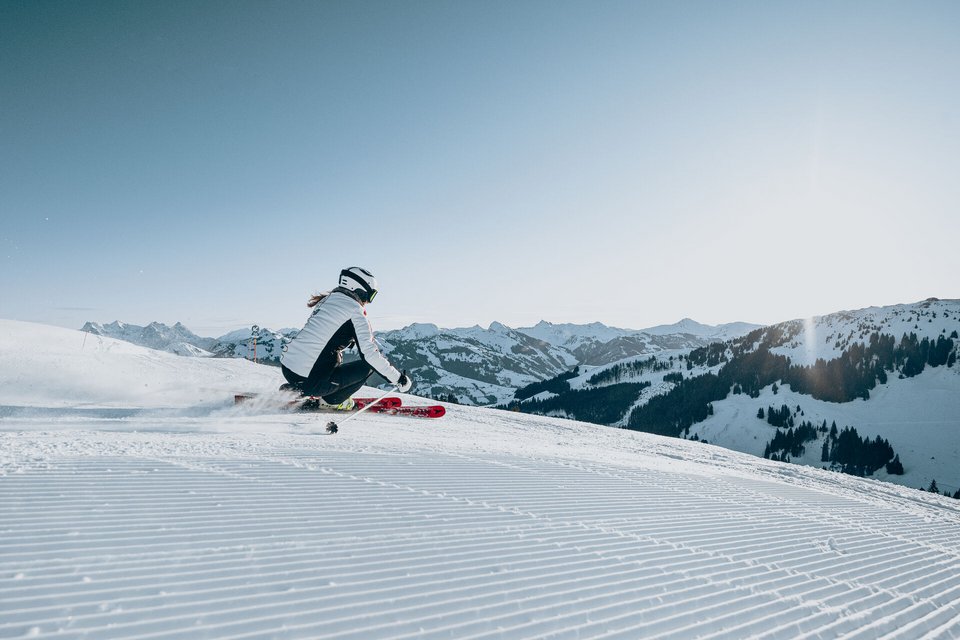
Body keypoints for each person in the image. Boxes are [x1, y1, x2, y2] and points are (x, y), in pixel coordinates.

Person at [280, 266, 411, 409]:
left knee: (328, 359)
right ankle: (331, 400)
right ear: (360, 289)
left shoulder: (327, 300)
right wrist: (399, 379)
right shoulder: (356, 311)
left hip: (288, 369)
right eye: (371, 295)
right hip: (311, 380)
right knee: (368, 367)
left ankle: (297, 389)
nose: (368, 301)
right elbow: (370, 355)